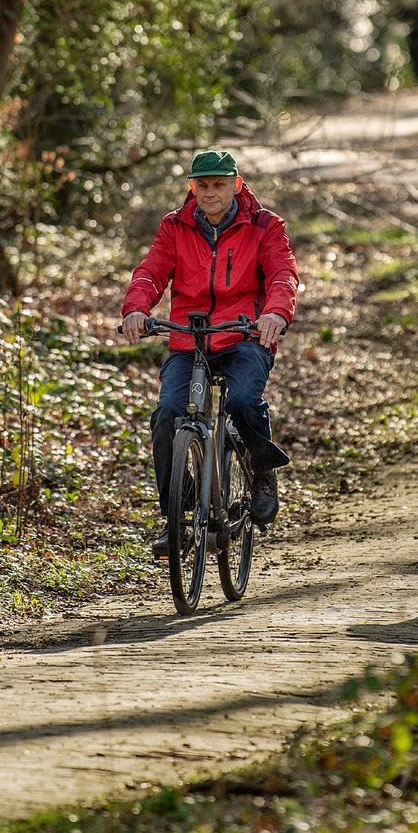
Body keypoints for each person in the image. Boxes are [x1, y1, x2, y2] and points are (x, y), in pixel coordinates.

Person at [120, 149, 299, 557]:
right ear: (192, 188)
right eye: (203, 185)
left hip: (245, 335)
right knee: (167, 414)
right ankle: (176, 519)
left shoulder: (265, 225)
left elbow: (283, 273)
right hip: (189, 337)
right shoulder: (174, 226)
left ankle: (261, 473)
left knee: (241, 401)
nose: (211, 193)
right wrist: (136, 308)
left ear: (237, 185)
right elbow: (151, 270)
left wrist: (274, 313)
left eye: (219, 184)